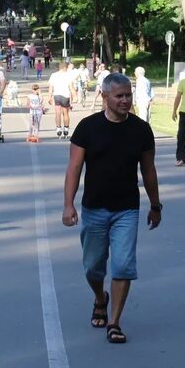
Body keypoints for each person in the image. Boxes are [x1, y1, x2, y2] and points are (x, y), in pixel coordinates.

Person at [63, 73, 162, 345]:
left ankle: (115, 322)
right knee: (93, 267)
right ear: (104, 97)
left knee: (123, 266)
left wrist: (155, 205)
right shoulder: (87, 127)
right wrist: (68, 204)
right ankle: (99, 298)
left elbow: (149, 170)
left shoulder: (141, 130)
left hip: (126, 210)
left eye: (128, 95)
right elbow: (74, 167)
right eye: (119, 96)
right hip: (94, 208)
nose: (125, 100)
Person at [48, 61, 75, 137]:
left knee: (57, 112)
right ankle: (66, 129)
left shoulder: (53, 75)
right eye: (66, 67)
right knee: (65, 113)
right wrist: (74, 95)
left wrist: (49, 97)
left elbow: (51, 87)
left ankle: (58, 128)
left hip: (57, 95)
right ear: (64, 68)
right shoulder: (68, 75)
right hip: (65, 96)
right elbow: (71, 87)